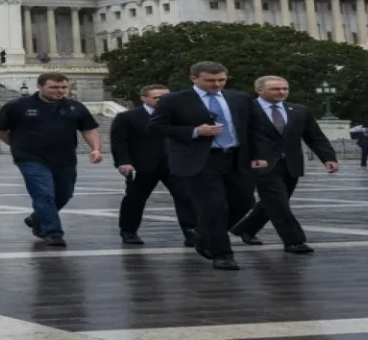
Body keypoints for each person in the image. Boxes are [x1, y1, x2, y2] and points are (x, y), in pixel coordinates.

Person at [150, 61, 258, 270]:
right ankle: (222, 254)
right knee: (214, 206)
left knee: (244, 202)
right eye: (210, 80)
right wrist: (195, 131)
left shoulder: (240, 98)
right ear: (194, 79)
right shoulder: (174, 100)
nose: (216, 84)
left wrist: (258, 154)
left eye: (221, 80)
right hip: (201, 160)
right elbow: (156, 127)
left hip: (236, 157)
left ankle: (205, 235)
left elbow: (254, 128)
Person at [0, 72, 101, 247]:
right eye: (54, 87)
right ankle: (53, 232)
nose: (60, 91)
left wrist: (95, 148)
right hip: (30, 158)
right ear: (39, 87)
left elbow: (89, 129)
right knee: (44, 195)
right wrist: (15, 144)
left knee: (65, 194)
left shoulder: (75, 107)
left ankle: (36, 218)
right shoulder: (17, 106)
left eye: (64, 87)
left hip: (65, 158)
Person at [231, 76, 337, 253]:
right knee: (278, 202)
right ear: (259, 90)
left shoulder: (299, 110)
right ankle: (294, 241)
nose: (281, 92)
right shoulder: (245, 110)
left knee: (273, 202)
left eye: (284, 88)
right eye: (275, 89)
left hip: (291, 164)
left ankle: (246, 229)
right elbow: (239, 137)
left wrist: (329, 158)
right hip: (260, 163)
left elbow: (315, 137)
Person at [111, 85, 196, 246]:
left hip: (175, 164)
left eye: (166, 97)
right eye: (157, 97)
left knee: (186, 197)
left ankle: (191, 232)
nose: (162, 101)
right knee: (135, 199)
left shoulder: (179, 116)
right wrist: (124, 162)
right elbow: (119, 142)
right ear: (143, 98)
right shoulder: (128, 117)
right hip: (142, 166)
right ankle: (128, 231)